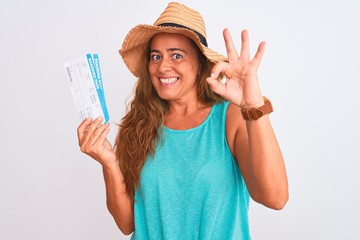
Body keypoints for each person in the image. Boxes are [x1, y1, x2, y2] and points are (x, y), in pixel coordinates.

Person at [77, 2, 288, 239]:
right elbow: (128, 224)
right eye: (155, 56)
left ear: (200, 64)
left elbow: (275, 198)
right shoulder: (138, 124)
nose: (162, 66)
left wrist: (253, 106)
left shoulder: (231, 117)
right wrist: (109, 163)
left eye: (176, 55)